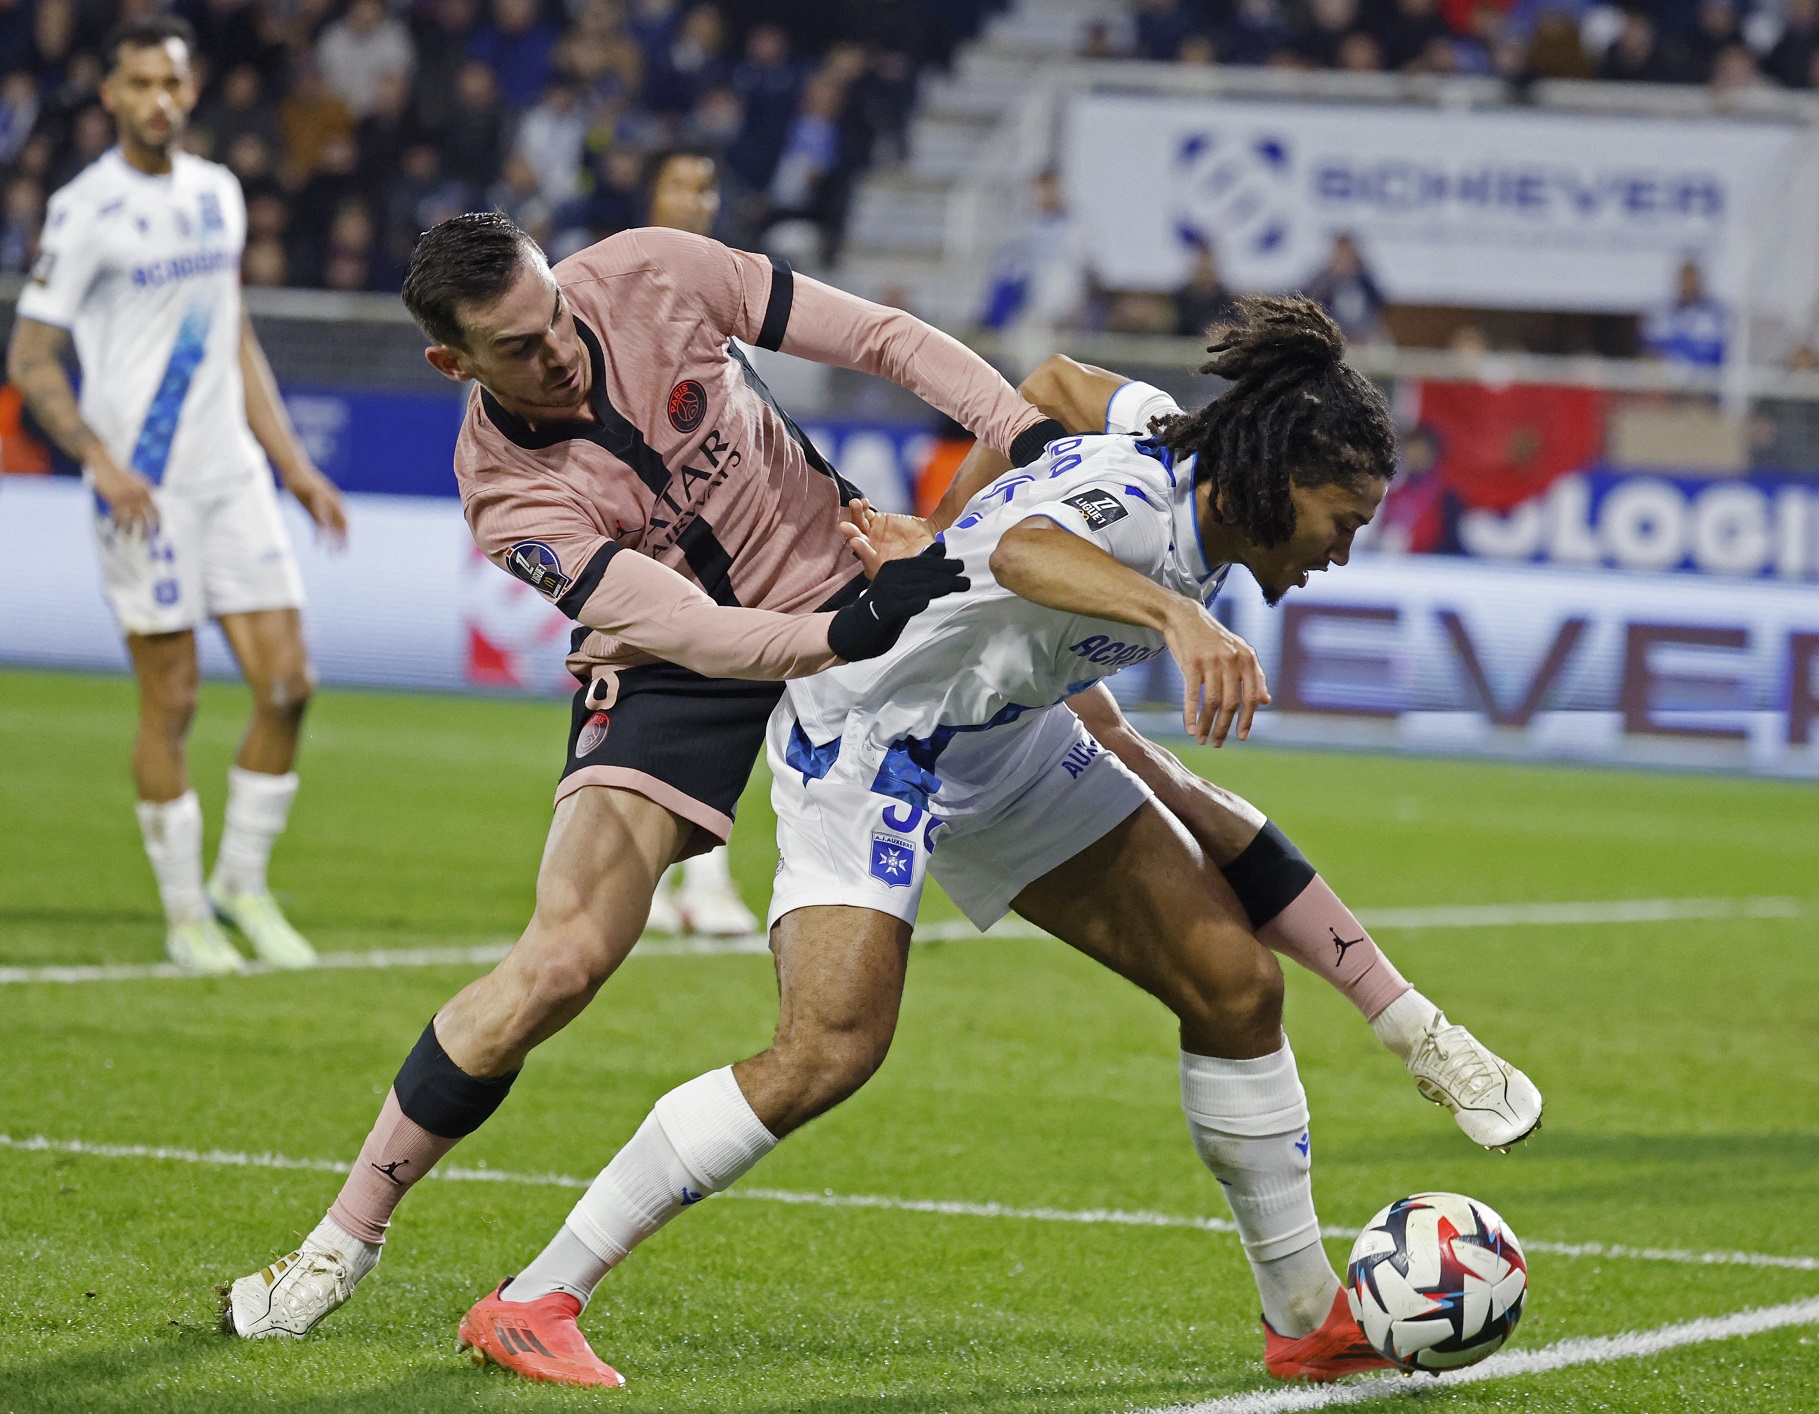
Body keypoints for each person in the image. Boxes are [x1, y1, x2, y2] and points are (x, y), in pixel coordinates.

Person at [454, 299, 1541, 1389]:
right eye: (1339, 519)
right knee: (829, 1048)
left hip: (1003, 736)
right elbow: (1028, 548)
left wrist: (941, 535)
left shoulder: (1171, 434)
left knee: (1232, 985)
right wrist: (1161, 615)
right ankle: (535, 1295)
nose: (1341, 551)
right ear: (1278, 476)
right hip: (874, 737)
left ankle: (1304, 1319)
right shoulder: (1136, 510)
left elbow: (1061, 384)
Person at [220, 210, 1067, 1337]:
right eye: (516, 348)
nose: (557, 349)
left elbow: (881, 340)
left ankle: (1379, 1006)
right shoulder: (503, 494)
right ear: (451, 363)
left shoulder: (654, 270)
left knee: (1098, 746)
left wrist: (1015, 426)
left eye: (554, 316)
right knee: (560, 960)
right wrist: (853, 632)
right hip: (682, 663)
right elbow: (697, 632)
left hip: (843, 570)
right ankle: (340, 1242)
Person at [6, 16, 348, 976]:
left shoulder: (219, 194)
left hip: (230, 475)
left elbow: (230, 334)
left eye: (174, 82)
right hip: (141, 489)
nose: (161, 97)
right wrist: (101, 462)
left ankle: (242, 885)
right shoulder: (85, 210)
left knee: (289, 686)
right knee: (175, 701)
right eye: (142, 82)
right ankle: (185, 912)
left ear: (191, 92)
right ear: (111, 94)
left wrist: (291, 465)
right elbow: (31, 359)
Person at [638, 141, 762, 937]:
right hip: (646, 540)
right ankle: (654, 882)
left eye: (707, 188)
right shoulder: (616, 291)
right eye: (681, 184)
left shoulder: (723, 294)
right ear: (650, 193)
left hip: (718, 539)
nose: (697, 201)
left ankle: (698, 881)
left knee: (722, 702)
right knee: (650, 701)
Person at [1642, 257, 1729, 366]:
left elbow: (1724, 350)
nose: (1688, 284)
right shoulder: (1663, 314)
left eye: (1692, 279)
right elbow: (1650, 350)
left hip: (1707, 377)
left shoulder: (1716, 315)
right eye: (1684, 280)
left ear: (1699, 281)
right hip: (1669, 377)